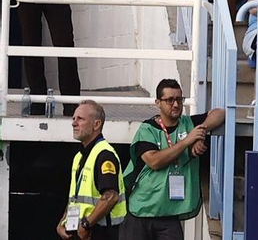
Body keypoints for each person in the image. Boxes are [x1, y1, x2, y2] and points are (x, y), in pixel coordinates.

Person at [124, 80, 225, 239]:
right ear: (158, 103)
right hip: (142, 211)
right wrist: (187, 141)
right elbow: (155, 161)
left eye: (179, 99)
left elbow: (219, 113)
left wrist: (200, 133)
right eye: (170, 100)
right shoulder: (147, 129)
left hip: (169, 213)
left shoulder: (189, 123)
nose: (176, 104)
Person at [59, 100, 124, 238]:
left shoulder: (104, 155)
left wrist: (86, 224)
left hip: (99, 232)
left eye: (80, 119)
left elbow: (111, 197)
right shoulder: (80, 156)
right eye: (73, 118)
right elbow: (75, 198)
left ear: (96, 124)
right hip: (79, 231)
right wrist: (62, 222)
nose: (73, 123)